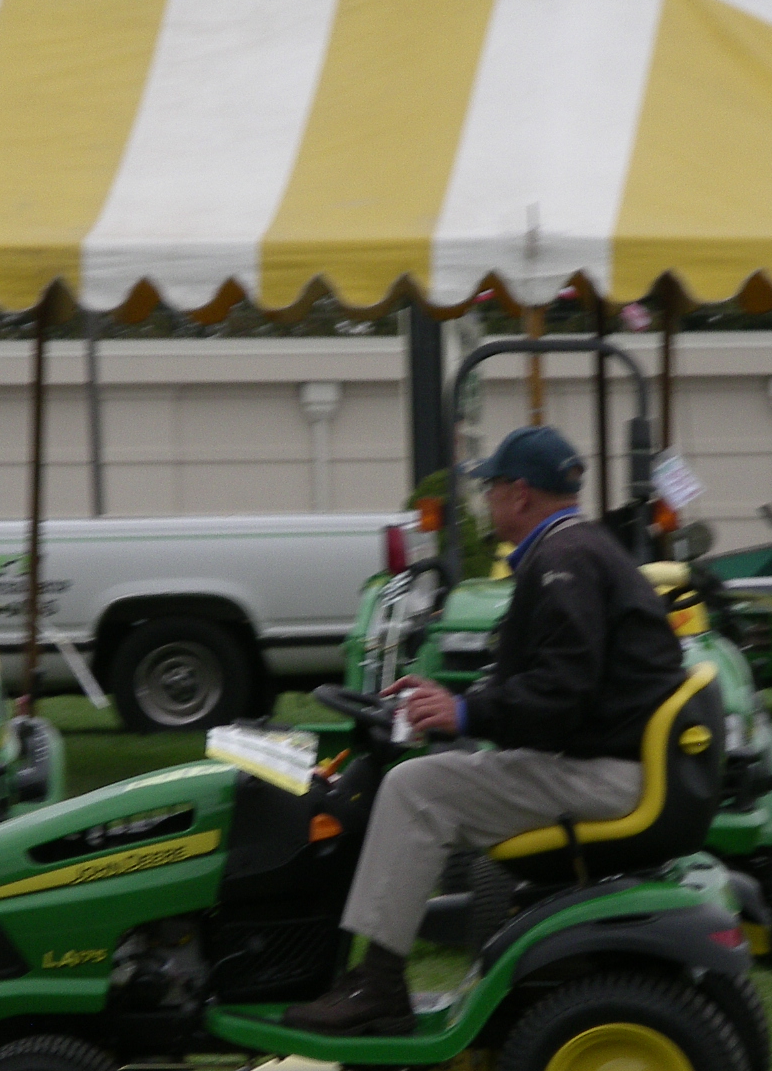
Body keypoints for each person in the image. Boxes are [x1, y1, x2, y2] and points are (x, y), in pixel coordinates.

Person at [281, 425, 687, 1036]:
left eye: (490, 489)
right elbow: (559, 682)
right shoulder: (583, 549)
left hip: (602, 773)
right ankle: (372, 978)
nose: (485, 503)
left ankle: (380, 985)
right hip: (614, 760)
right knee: (426, 779)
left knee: (415, 789)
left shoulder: (563, 562)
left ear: (520, 495)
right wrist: (456, 702)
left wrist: (466, 714)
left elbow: (562, 694)